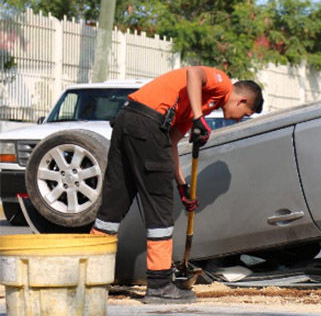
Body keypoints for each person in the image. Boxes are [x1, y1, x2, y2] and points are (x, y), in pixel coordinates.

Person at [90, 66, 264, 303]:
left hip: (128, 120)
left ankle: (91, 278)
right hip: (147, 123)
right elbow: (193, 73)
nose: (240, 118)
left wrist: (182, 185)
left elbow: (170, 143)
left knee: (113, 205)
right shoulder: (222, 83)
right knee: (160, 207)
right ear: (241, 99)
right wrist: (197, 117)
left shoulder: (197, 104)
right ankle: (160, 285)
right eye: (245, 113)